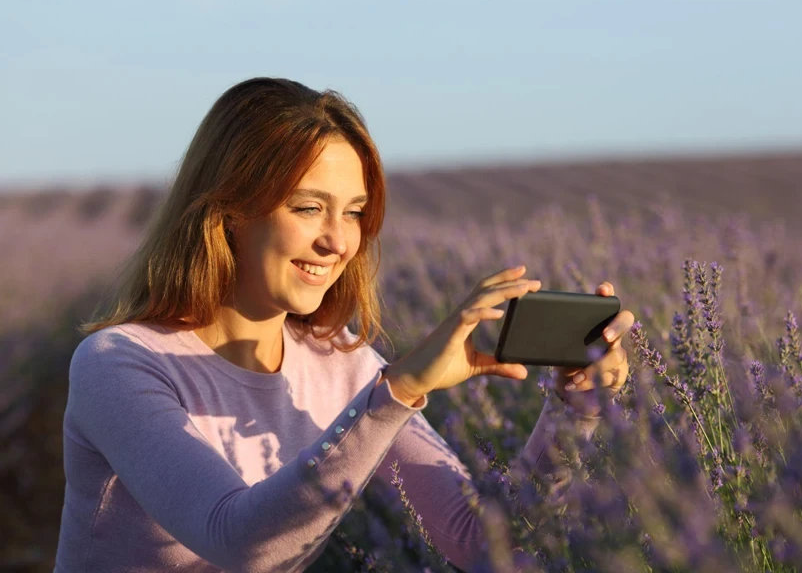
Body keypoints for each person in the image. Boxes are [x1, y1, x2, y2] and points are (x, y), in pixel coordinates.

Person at [53, 77, 634, 572]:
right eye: (308, 207)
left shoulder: (344, 366)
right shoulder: (120, 365)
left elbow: (481, 542)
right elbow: (239, 542)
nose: (337, 241)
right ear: (228, 212)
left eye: (353, 212)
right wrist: (398, 392)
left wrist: (575, 411)